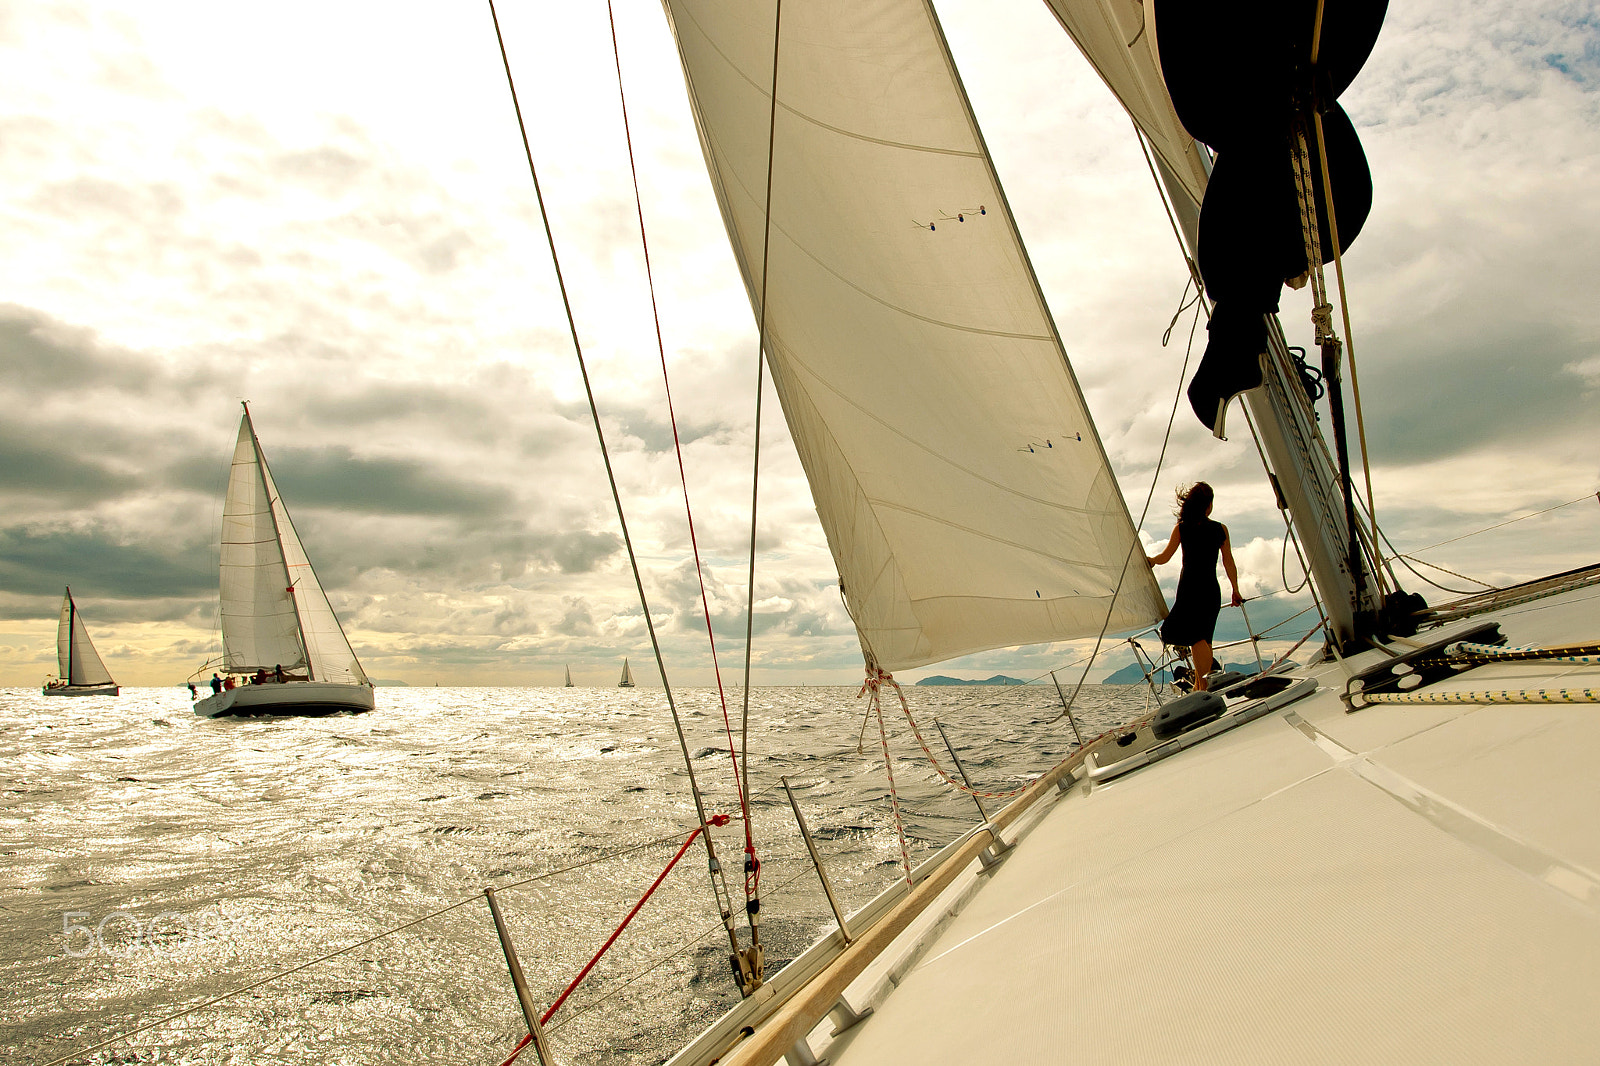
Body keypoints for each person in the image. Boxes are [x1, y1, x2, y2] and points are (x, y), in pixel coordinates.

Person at [1147, 481, 1243, 691]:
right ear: (1207, 504)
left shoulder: (1182, 528)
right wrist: (1235, 589)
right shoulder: (1220, 529)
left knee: (1192, 636)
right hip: (1210, 589)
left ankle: (1204, 686)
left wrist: (1151, 561)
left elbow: (1165, 556)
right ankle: (1201, 685)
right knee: (1203, 637)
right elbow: (1229, 561)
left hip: (1190, 588)